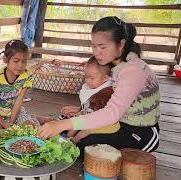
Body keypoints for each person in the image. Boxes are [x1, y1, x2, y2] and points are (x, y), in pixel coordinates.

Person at [38, 16, 160, 154]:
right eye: (94, 46)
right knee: (66, 124)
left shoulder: (133, 70)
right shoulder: (115, 62)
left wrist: (62, 125)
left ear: (120, 44)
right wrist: (81, 109)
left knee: (85, 146)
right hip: (118, 119)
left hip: (139, 130)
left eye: (102, 47)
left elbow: (111, 113)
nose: (96, 52)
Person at [60, 56, 120, 144]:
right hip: (89, 114)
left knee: (85, 131)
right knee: (74, 120)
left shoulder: (107, 91)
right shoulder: (93, 86)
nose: (87, 81)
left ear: (105, 78)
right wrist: (79, 109)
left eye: (92, 78)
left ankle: (74, 141)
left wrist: (84, 115)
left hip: (103, 122)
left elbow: (102, 115)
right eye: (86, 77)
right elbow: (89, 103)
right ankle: (66, 138)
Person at [0, 40, 40, 133]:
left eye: (24, 61)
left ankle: (33, 119)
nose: (20, 66)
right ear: (6, 60)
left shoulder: (26, 75)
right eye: (16, 61)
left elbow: (18, 102)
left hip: (16, 113)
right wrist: (4, 124)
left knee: (31, 128)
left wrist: (11, 123)